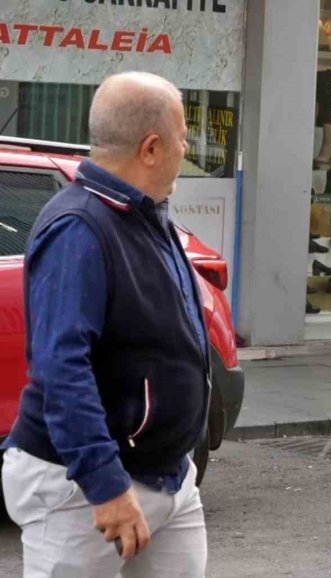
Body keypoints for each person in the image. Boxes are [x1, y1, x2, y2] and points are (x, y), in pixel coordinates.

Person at [1, 72, 208, 576]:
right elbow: (61, 370)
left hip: (169, 479)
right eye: (183, 136)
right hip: (84, 488)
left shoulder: (144, 214)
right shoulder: (80, 228)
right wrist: (104, 482)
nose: (188, 147)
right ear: (152, 148)